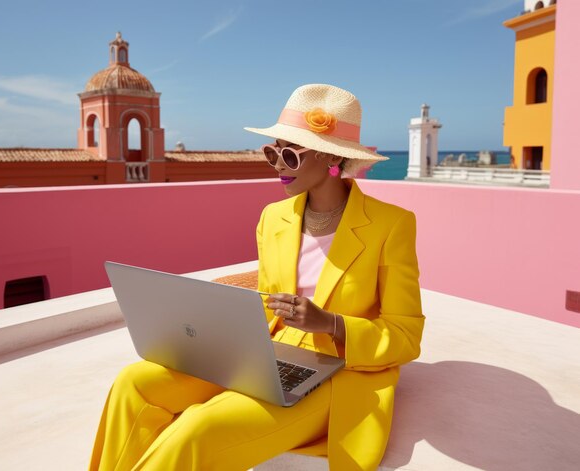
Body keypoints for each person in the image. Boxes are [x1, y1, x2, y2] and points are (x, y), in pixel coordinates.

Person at [89, 84, 425, 470]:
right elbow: (267, 306)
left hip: (337, 371)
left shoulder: (391, 225)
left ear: (330, 156)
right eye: (271, 152)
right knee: (133, 383)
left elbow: (405, 335)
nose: (277, 165)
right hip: (267, 354)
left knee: (198, 428)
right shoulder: (274, 218)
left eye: (288, 155)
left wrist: (330, 323)